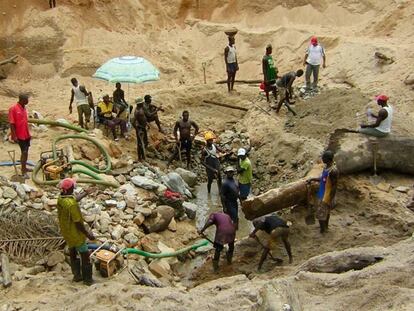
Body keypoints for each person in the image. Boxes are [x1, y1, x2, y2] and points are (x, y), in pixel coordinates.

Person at [56, 178, 95, 285]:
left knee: (73, 252)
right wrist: (88, 234)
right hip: (75, 233)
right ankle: (88, 280)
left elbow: (73, 199)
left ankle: (77, 276)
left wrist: (85, 193)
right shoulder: (72, 205)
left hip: (66, 231)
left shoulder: (61, 197)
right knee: (85, 255)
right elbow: (78, 222)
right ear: (71, 189)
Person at [307, 150, 338, 234]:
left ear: (328, 159)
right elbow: (323, 178)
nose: (322, 159)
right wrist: (313, 179)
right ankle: (326, 227)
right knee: (326, 212)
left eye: (324, 158)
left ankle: (323, 230)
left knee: (320, 213)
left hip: (326, 195)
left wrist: (331, 198)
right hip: (322, 193)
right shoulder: (326, 168)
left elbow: (334, 186)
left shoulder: (333, 171)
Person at [8, 94, 31, 178]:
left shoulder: (24, 108)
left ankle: (25, 167)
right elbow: (12, 123)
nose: (28, 101)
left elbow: (25, 122)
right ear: (22, 100)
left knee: (26, 151)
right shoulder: (13, 109)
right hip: (20, 135)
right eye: (26, 100)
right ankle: (23, 171)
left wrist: (29, 134)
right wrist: (14, 136)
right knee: (24, 152)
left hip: (26, 134)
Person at [133, 97, 148, 161]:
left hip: (143, 127)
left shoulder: (141, 109)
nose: (143, 103)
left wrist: (147, 124)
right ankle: (140, 157)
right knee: (140, 143)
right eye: (142, 103)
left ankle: (143, 156)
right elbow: (133, 121)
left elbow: (143, 119)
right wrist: (137, 129)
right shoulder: (137, 111)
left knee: (145, 142)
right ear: (139, 104)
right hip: (140, 128)